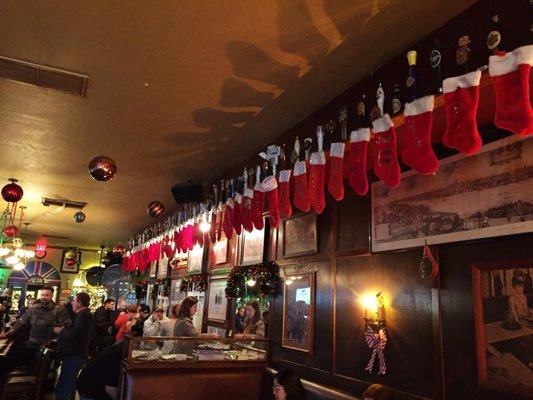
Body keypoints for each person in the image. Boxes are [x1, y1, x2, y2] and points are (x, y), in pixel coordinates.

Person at [0, 287, 71, 382]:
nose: (44, 297)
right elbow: (20, 323)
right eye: (42, 295)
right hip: (31, 344)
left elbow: (67, 326)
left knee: (7, 360)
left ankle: (14, 384)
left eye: (47, 295)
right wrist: (5, 335)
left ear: (52, 295)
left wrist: (60, 331)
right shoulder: (34, 308)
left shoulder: (59, 310)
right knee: (8, 357)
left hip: (44, 348)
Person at [55, 292, 93, 400]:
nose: (72, 302)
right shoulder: (81, 314)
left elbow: (75, 335)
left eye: (74, 300)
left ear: (80, 303)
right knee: (66, 382)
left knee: (68, 383)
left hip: (75, 354)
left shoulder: (84, 315)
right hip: (74, 354)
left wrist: (61, 331)